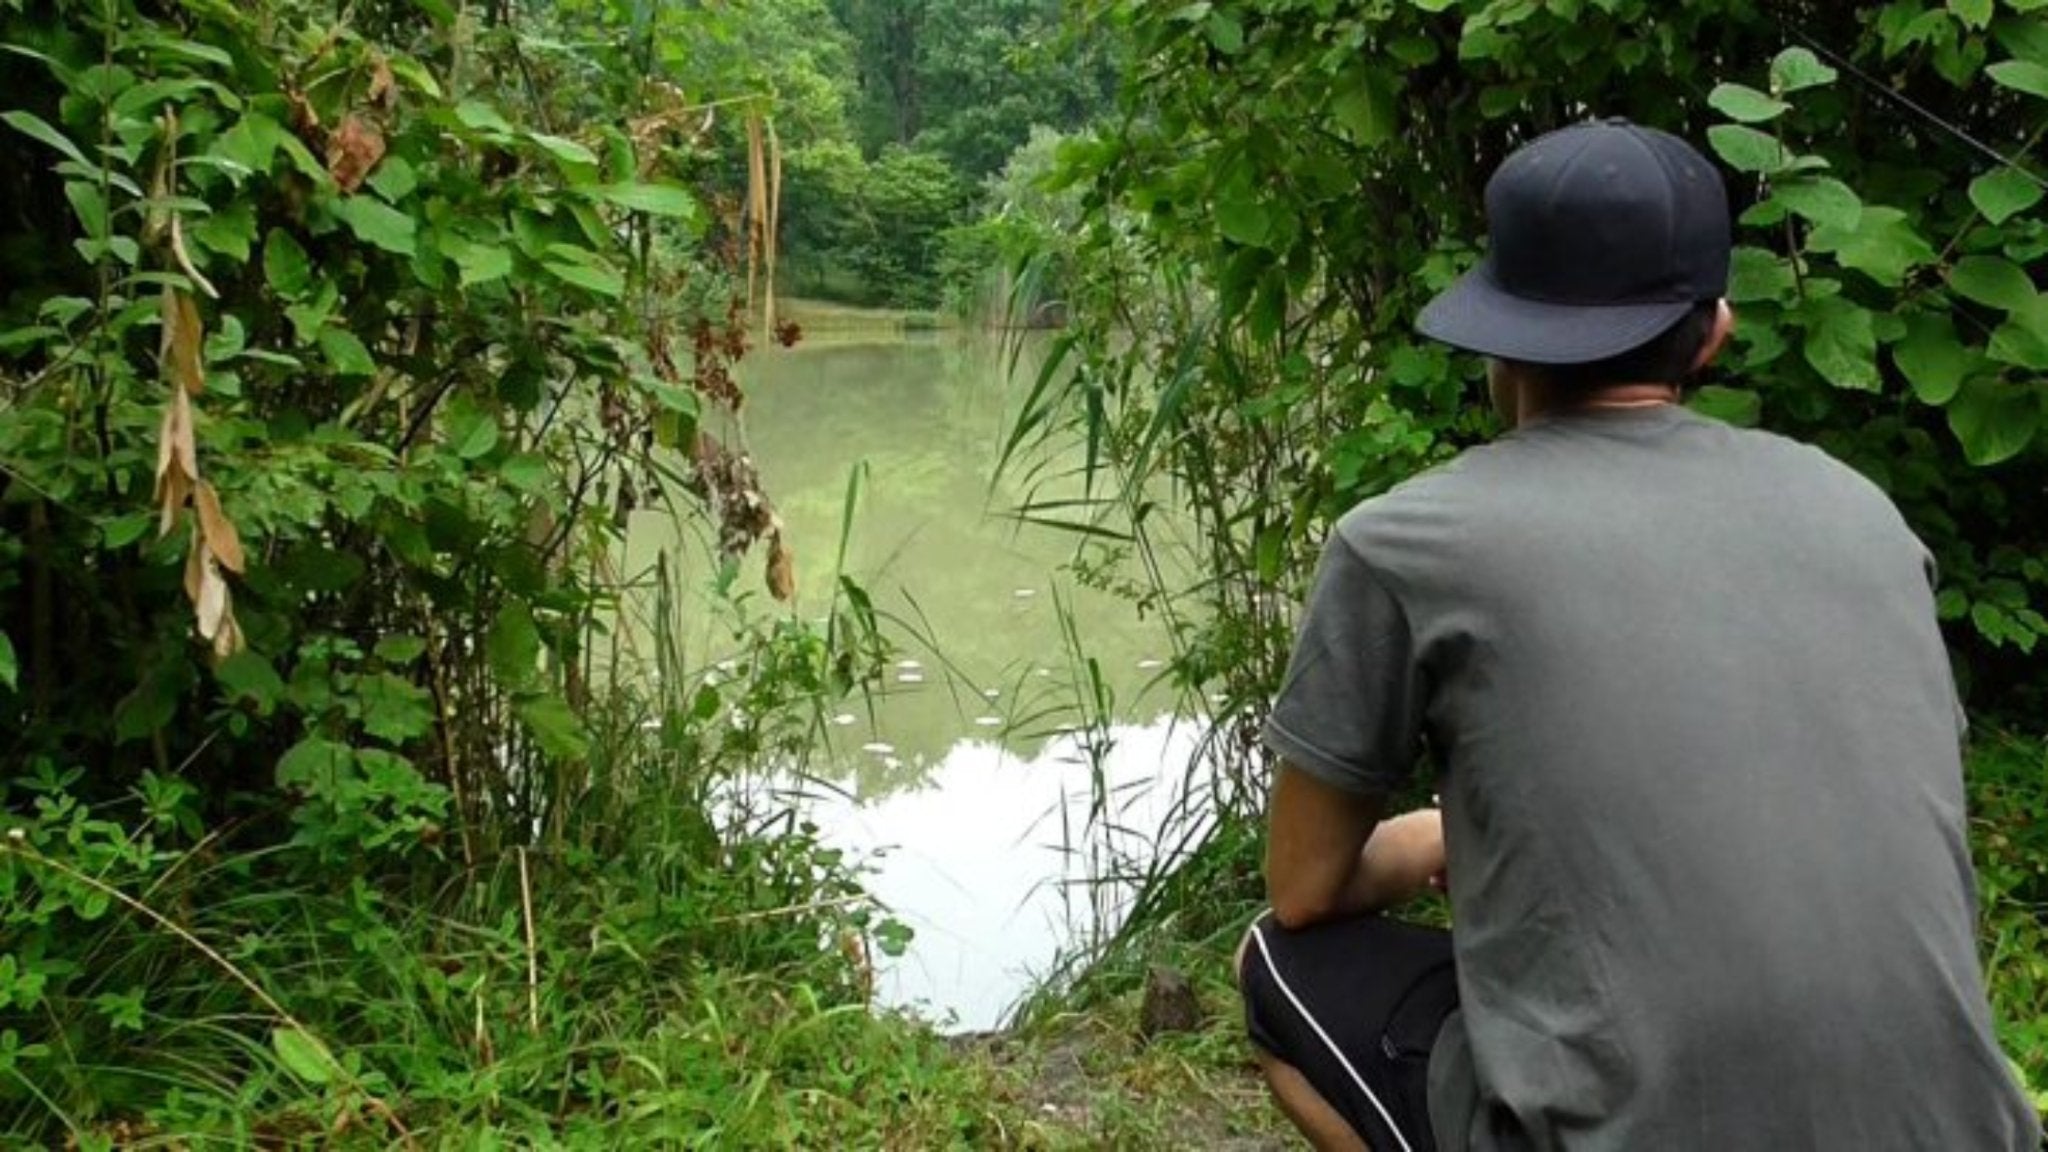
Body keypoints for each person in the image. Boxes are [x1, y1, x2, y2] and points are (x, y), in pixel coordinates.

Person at [1234, 117, 2043, 1152]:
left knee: (1276, 967)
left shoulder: (1406, 541)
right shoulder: (1858, 513)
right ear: (1713, 333)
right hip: (1964, 1132)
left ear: (1494, 333)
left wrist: (1438, 833)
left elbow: (1303, 888)